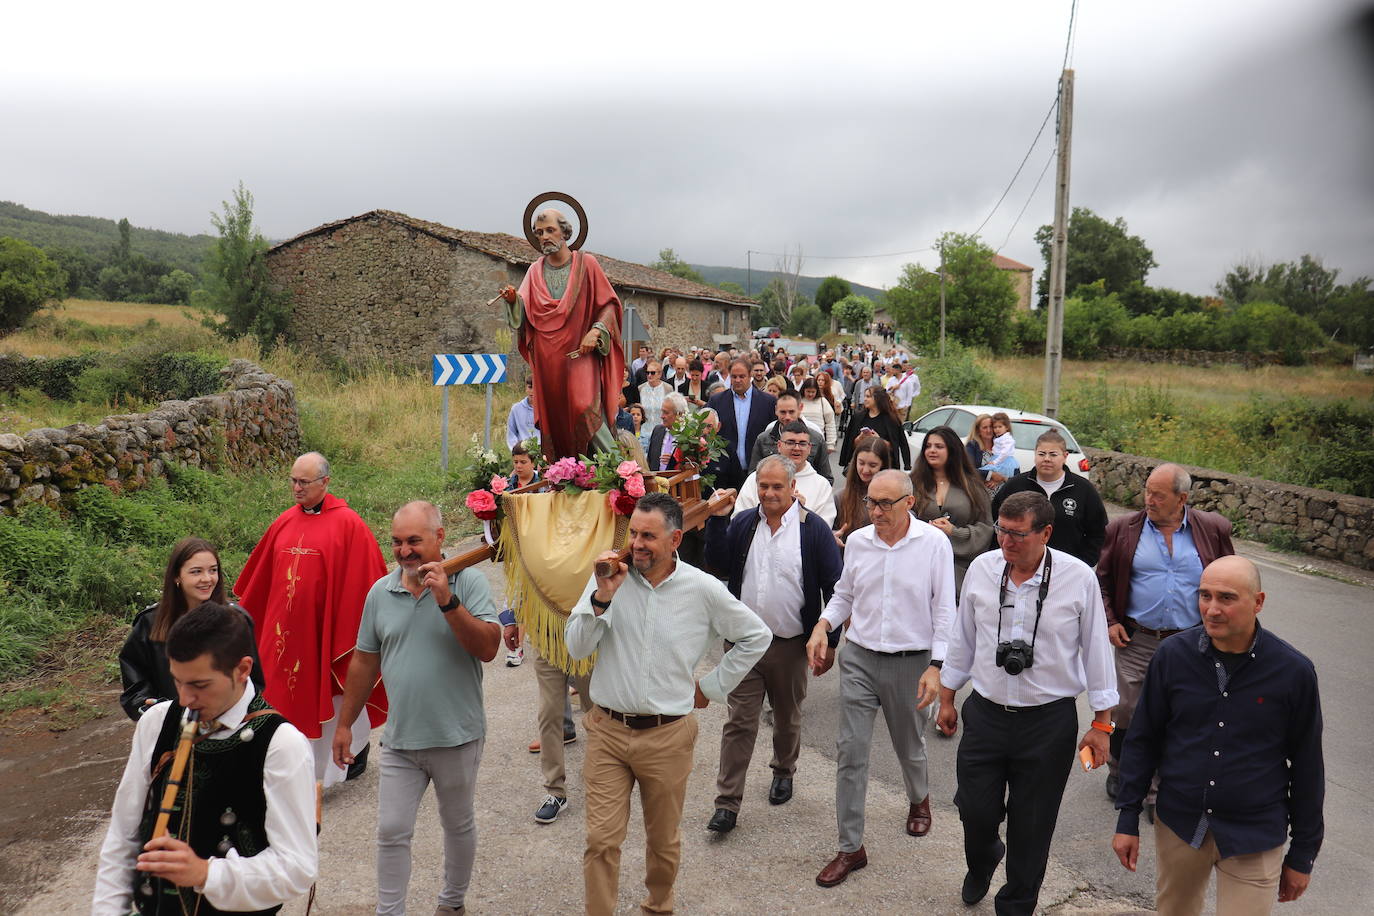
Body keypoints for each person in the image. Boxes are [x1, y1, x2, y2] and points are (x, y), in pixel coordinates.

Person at [567, 493, 772, 916]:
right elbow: (575, 647)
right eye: (633, 534)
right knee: (601, 840)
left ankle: (658, 906)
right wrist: (601, 598)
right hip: (607, 730)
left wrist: (713, 686)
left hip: (668, 736)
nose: (636, 544)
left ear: (675, 538)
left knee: (662, 841)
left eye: (648, 536)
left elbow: (756, 635)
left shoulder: (703, 589)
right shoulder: (607, 579)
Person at [937, 491, 1119, 914]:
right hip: (985, 714)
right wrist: (947, 697)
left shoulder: (1077, 577)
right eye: (1001, 531)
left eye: (1018, 534)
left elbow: (1096, 652)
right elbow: (962, 639)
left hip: (1047, 723)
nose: (1006, 542)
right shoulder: (983, 569)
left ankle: (1016, 904)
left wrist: (1103, 723)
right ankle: (982, 859)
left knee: (1032, 826)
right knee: (976, 811)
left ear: (1046, 533)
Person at [1111, 556, 1324, 915]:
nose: (1211, 609)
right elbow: (1143, 740)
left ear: (1258, 602)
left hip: (1255, 833)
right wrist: (1127, 817)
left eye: (1226, 598)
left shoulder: (1294, 672)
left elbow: (1307, 767)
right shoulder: (1172, 656)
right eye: (1204, 596)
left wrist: (1303, 854)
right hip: (1180, 824)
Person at [93, 602, 317, 916]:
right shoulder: (157, 721)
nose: (184, 699)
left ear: (242, 670)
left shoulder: (282, 744)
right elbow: (123, 834)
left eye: (199, 685)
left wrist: (205, 874)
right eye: (177, 681)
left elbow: (297, 869)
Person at [332, 501, 501, 916]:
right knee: (391, 830)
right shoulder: (380, 592)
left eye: (414, 541)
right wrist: (344, 725)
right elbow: (364, 660)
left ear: (439, 539)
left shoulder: (471, 583)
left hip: (456, 735)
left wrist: (446, 599)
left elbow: (488, 647)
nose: (405, 551)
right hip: (401, 739)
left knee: (457, 825)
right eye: (397, 542)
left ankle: (451, 903)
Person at [807, 470, 955, 888]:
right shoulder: (858, 541)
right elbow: (845, 594)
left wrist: (937, 666)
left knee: (910, 746)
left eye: (884, 503)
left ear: (909, 503)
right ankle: (850, 847)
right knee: (850, 751)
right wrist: (823, 625)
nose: (875, 511)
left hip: (912, 662)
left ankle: (918, 798)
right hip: (860, 658)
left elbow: (945, 609)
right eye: (871, 502)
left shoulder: (933, 544)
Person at [702, 456, 843, 834]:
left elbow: (836, 586)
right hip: (744, 643)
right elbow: (718, 564)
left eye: (777, 486)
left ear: (793, 487)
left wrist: (829, 640)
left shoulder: (813, 531)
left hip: (790, 644)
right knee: (739, 723)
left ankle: (784, 770)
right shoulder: (745, 522)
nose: (769, 493)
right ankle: (727, 803)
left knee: (787, 716)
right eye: (763, 486)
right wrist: (717, 520)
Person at [234, 451, 387, 789]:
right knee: (278, 699)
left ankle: (327, 771)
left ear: (325, 483)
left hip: (322, 638)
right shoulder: (285, 521)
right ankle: (281, 769)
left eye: (304, 482)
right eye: (293, 480)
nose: (297, 487)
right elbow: (260, 582)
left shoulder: (350, 525)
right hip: (282, 639)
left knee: (328, 698)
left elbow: (365, 585)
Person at [1097, 463, 1235, 807]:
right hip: (1137, 637)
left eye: (1158, 495)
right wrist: (1111, 619)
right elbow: (1100, 580)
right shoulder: (1123, 529)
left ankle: (1159, 791)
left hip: (1191, 641)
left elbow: (1231, 579)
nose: (1149, 499)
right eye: (1147, 491)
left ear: (1182, 498)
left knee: (1177, 713)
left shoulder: (1212, 529)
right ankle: (1121, 771)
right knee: (1126, 710)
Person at [500, 208, 626, 462]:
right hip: (548, 357)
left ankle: (621, 472)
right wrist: (514, 301)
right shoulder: (535, 270)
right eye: (539, 233)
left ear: (565, 232)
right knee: (556, 417)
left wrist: (596, 331)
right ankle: (567, 472)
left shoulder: (586, 264)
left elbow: (609, 306)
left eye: (550, 230)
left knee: (583, 408)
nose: (544, 237)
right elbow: (523, 311)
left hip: (581, 352)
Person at [119, 537, 265, 721]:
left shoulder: (236, 620)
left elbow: (254, 681)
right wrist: (150, 708)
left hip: (225, 726)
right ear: (177, 576)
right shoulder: (150, 622)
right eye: (196, 572)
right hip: (169, 724)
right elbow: (135, 683)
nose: (207, 579)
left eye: (213, 570)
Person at [992, 429, 1108, 567]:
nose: (1046, 459)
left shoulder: (1084, 490)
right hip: (1018, 567)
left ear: (1065, 456)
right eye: (1042, 454)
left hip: (1066, 570)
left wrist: (1082, 563)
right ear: (1035, 455)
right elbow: (995, 523)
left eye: (1053, 454)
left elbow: (1098, 532)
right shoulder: (1015, 485)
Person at [911, 426, 995, 594]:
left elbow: (986, 528)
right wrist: (920, 527)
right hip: (916, 569)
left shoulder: (973, 487)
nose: (932, 451)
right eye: (928, 446)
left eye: (939, 446)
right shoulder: (912, 483)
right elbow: (899, 517)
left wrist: (954, 532)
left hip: (957, 574)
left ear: (952, 450)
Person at [734, 421, 836, 526]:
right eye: (790, 442)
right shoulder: (757, 478)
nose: (796, 448)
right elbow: (738, 520)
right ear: (779, 445)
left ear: (809, 448)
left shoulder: (821, 485)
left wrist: (802, 513)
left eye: (802, 443)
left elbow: (824, 531)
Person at [707, 357, 778, 492]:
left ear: (750, 374)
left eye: (742, 376)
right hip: (724, 472)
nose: (737, 380)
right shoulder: (717, 401)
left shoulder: (767, 402)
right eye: (734, 376)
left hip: (758, 469)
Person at [747, 391, 834, 483]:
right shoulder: (763, 439)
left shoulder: (816, 439)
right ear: (776, 410)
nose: (787, 417)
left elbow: (826, 478)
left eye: (791, 412)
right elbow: (753, 475)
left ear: (800, 408)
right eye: (783, 412)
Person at [832, 435, 892, 545]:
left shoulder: (894, 497)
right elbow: (829, 530)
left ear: (883, 466)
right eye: (861, 463)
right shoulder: (840, 497)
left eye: (872, 465)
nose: (865, 470)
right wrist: (832, 537)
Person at [838, 385, 910, 471]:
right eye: (864, 396)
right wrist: (860, 438)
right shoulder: (858, 417)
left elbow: (897, 446)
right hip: (860, 466)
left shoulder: (891, 420)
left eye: (868, 396)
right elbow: (849, 444)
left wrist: (878, 440)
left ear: (878, 398)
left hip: (883, 468)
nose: (865, 399)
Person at [646, 392, 688, 473]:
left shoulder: (689, 437)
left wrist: (674, 461)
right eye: (662, 412)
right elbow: (650, 461)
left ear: (680, 414)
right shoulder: (657, 431)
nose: (662, 416)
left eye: (666, 413)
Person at [798, 377, 838, 453]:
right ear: (803, 390)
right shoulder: (798, 401)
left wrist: (830, 444)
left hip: (818, 442)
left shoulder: (823, 402)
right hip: (800, 441)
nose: (810, 394)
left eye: (813, 392)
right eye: (808, 391)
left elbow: (830, 423)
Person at [978, 412, 1020, 480]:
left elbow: (1005, 453)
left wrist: (995, 462)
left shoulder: (1007, 439)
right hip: (999, 459)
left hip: (1003, 461)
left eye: (1000, 427)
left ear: (1006, 427)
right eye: (995, 427)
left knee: (993, 469)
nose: (997, 429)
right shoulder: (998, 437)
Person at [506, 376, 539, 449]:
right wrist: (516, 450)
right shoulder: (516, 409)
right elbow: (511, 433)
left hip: (541, 452)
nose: (532, 391)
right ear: (526, 388)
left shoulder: (545, 410)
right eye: (530, 387)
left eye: (536, 388)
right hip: (522, 451)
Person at [638, 359, 669, 429]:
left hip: (661, 430)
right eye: (647, 372)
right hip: (644, 431)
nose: (649, 375)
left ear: (660, 374)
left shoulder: (667, 388)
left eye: (652, 373)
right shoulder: (640, 388)